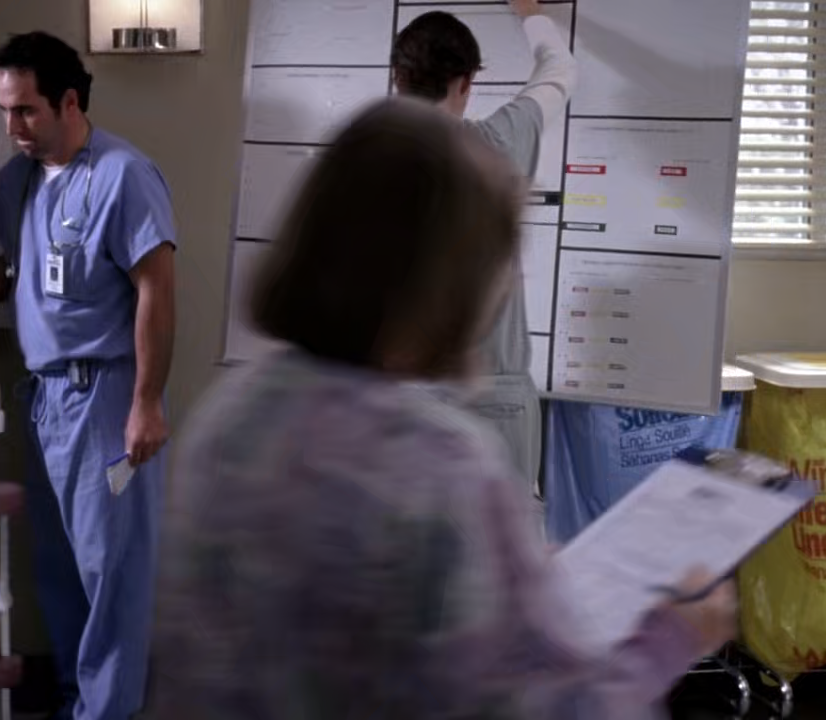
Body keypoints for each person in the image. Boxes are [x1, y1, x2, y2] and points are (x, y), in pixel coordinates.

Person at [149, 99, 736, 719]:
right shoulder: (437, 466)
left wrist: (511, 577)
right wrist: (671, 637)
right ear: (454, 281)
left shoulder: (229, 416)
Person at [0, 32, 177, 720]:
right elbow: (17, 268)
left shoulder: (122, 176)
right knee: (56, 569)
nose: (12, 127)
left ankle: (108, 712)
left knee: (111, 573)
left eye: (26, 110)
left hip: (105, 398)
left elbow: (156, 290)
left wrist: (146, 403)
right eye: (5, 110)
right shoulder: (15, 182)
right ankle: (73, 701)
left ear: (70, 102)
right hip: (43, 399)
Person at [392, 0, 576, 504]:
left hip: (408, 395)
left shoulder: (371, 164)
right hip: (497, 399)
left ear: (398, 78)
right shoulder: (501, 141)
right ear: (466, 82)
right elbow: (560, 69)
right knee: (502, 545)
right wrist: (531, 13)